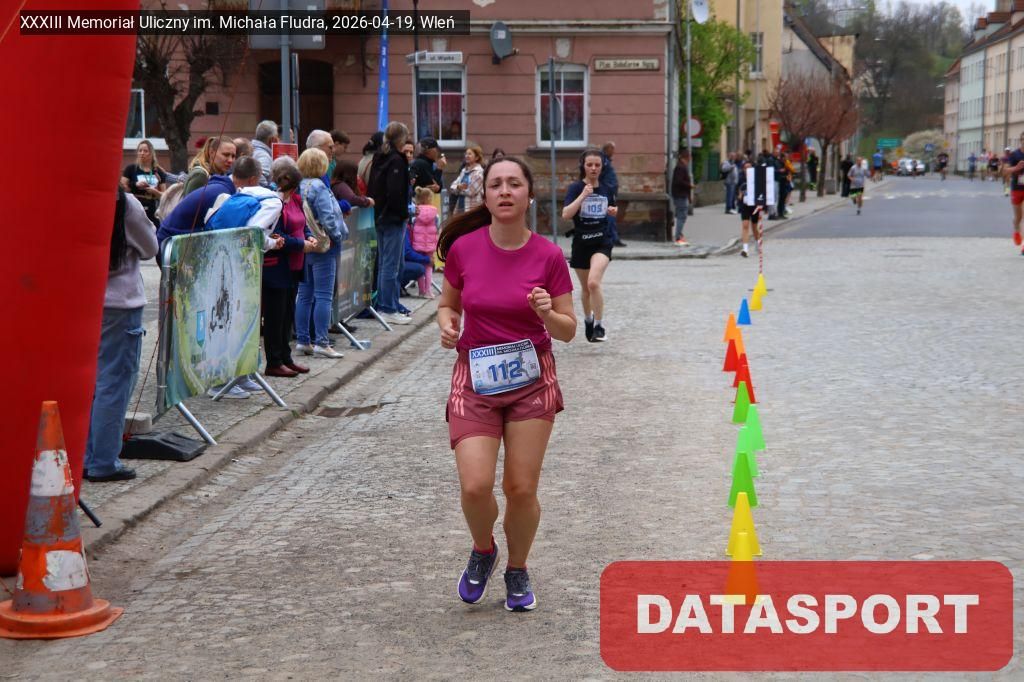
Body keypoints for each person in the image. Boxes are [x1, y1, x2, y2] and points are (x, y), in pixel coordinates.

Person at [436, 156, 576, 612]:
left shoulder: (548, 256)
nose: (505, 191)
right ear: (486, 195)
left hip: (531, 379)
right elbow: (448, 304)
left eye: (514, 183)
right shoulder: (465, 250)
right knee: (476, 485)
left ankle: (517, 567)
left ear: (529, 195)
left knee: (520, 488)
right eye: (496, 184)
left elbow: (568, 329)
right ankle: (484, 549)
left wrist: (546, 313)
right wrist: (447, 324)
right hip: (475, 377)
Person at [83, 187, 159, 482]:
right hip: (119, 303)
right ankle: (103, 461)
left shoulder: (75, 197)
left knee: (89, 384)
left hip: (82, 301)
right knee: (114, 384)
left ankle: (85, 456)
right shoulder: (125, 203)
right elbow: (150, 247)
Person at [262, 159, 318, 378]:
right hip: (276, 266)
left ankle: (286, 358)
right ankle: (273, 362)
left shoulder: (295, 199)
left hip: (294, 265)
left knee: (287, 315)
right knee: (275, 317)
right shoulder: (273, 202)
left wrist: (309, 237)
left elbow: (302, 225)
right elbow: (276, 236)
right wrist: (300, 244)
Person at [295, 148, 348, 359]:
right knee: (324, 295)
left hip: (305, 243)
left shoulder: (299, 185)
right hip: (324, 245)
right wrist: (338, 236)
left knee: (304, 295)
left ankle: (302, 340)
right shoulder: (319, 187)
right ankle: (322, 342)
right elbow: (328, 218)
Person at [563, 148, 616, 342]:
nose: (593, 168)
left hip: (602, 241)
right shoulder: (576, 188)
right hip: (581, 242)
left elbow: (612, 206)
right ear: (583, 166)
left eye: (597, 165)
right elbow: (566, 214)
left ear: (602, 167)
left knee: (594, 282)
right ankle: (588, 320)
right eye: (590, 164)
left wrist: (613, 211)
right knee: (586, 289)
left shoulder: (607, 188)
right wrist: (583, 195)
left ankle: (599, 326)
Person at [368, 121, 414, 325]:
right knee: (391, 265)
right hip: (393, 218)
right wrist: (404, 213)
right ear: (401, 138)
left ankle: (387, 305)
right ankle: (388, 307)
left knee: (385, 264)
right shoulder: (396, 160)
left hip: (380, 215)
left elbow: (373, 187)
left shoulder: (380, 156)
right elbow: (395, 192)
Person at [121, 139, 168, 225]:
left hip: (152, 208)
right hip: (134, 208)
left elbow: (165, 195)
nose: (142, 153)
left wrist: (155, 192)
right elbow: (122, 187)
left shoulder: (158, 171)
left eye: (145, 151)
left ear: (151, 153)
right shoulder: (131, 169)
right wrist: (135, 185)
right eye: (140, 151)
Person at [410, 186, 440, 298]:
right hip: (430, 244)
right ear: (429, 199)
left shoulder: (416, 212)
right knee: (429, 266)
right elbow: (437, 226)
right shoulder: (435, 213)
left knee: (420, 265)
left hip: (418, 243)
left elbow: (412, 225)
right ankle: (428, 291)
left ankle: (421, 290)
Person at [600, 141, 626, 247]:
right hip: (606, 192)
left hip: (609, 192)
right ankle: (611, 238)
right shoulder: (603, 162)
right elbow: (600, 177)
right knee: (610, 216)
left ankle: (613, 237)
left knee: (611, 215)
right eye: (612, 149)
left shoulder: (606, 161)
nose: (614, 152)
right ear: (607, 149)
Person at [449, 143, 485, 214]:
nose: (466, 156)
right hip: (460, 208)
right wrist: (458, 187)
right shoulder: (464, 171)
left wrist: (458, 188)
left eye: (469, 154)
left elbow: (471, 192)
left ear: (477, 157)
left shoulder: (479, 172)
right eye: (466, 154)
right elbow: (452, 188)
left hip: (473, 209)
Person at [735, 161, 762, 258]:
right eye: (745, 168)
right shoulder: (741, 179)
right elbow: (738, 190)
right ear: (743, 169)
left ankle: (757, 243)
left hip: (754, 206)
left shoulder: (756, 179)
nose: (747, 169)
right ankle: (745, 249)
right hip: (744, 205)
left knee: (754, 227)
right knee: (745, 225)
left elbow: (761, 193)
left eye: (749, 167)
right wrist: (739, 196)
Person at [1002, 133, 1024, 253]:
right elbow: (1005, 171)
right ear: (1021, 140)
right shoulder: (1015, 155)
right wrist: (1016, 168)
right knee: (1018, 217)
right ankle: (1016, 231)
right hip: (1017, 188)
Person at [670, 150, 692, 245]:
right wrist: (689, 185)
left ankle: (679, 235)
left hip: (680, 194)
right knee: (681, 216)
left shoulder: (680, 166)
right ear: (686, 157)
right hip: (680, 195)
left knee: (682, 216)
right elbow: (678, 181)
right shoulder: (680, 167)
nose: (690, 159)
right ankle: (678, 237)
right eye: (689, 157)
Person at [252, 120, 279, 186]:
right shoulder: (264, 156)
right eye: (277, 137)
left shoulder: (252, 149)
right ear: (272, 140)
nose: (278, 140)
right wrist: (268, 189)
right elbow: (260, 177)